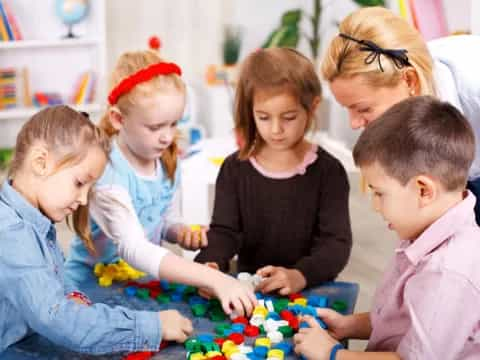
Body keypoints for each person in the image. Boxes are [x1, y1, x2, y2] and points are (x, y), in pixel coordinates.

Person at [64, 49, 256, 316]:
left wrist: (180, 233)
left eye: (174, 124)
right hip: (91, 289)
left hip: (140, 284)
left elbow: (163, 220)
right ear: (118, 119)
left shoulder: (166, 161)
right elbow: (134, 247)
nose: (167, 137)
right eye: (155, 128)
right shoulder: (105, 172)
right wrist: (214, 278)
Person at [294, 96, 480, 360]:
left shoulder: (446, 273)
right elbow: (404, 319)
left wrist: (333, 354)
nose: (376, 206)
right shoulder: (425, 229)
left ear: (423, 190)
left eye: (380, 193)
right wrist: (350, 325)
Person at [0, 106, 194, 354]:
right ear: (41, 162)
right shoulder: (11, 234)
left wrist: (78, 301)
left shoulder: (36, 222)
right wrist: (152, 326)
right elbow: (59, 319)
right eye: (79, 183)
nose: (83, 200)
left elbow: (60, 284)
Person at [195, 47, 352, 295]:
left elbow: (335, 245)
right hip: (251, 291)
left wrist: (300, 275)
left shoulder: (329, 172)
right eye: (264, 117)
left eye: (288, 117)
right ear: (250, 111)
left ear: (312, 107)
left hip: (309, 290)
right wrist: (210, 265)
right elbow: (224, 232)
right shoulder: (234, 169)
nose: (276, 129)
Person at [321, 6, 480, 223]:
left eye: (363, 109)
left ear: (409, 81)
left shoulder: (473, 84)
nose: (354, 123)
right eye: (347, 108)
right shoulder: (409, 101)